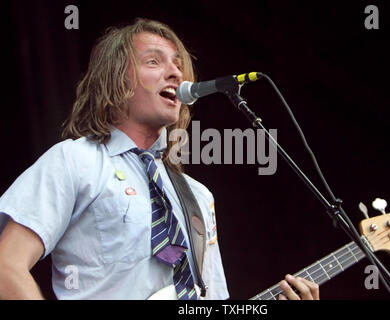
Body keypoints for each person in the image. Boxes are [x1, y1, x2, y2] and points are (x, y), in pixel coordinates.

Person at [0, 18, 319, 300]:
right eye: (154, 62)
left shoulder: (198, 196)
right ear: (116, 79)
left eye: (178, 66)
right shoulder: (75, 161)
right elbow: (6, 267)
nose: (175, 73)